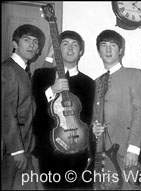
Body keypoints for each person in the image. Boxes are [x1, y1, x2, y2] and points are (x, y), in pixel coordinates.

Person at [32, 30, 95, 189]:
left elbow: (87, 117)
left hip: (78, 147)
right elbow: (33, 107)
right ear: (58, 49)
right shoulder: (41, 75)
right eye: (65, 44)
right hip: (49, 148)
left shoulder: (89, 83)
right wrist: (51, 90)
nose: (70, 48)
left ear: (81, 51)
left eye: (75, 45)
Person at [91, 29, 141, 190]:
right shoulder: (96, 82)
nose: (108, 50)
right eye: (104, 45)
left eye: (113, 45)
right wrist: (94, 128)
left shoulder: (135, 75)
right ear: (98, 51)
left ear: (121, 50)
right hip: (104, 154)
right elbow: (95, 117)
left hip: (127, 151)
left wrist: (134, 148)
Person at [2, 24, 45, 190]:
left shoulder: (23, 70)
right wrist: (16, 150)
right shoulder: (8, 69)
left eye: (35, 42)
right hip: (11, 150)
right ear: (15, 44)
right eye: (26, 40)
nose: (32, 45)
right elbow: (6, 113)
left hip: (24, 146)